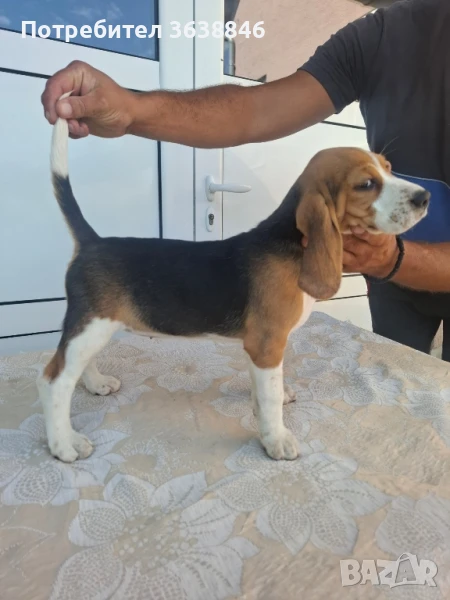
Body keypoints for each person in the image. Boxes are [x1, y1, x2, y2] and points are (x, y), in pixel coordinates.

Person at [41, 0, 450, 360]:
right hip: (389, 270)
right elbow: (257, 111)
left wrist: (394, 258)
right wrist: (132, 109)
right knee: (398, 377)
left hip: (394, 256)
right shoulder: (383, 33)